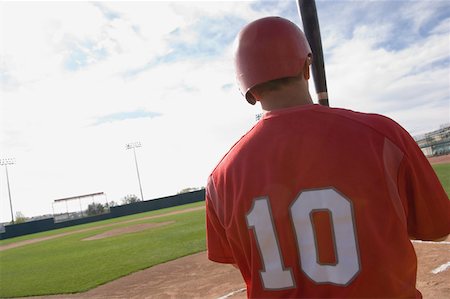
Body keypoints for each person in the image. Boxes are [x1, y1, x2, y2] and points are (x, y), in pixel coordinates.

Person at [205, 16, 450, 298]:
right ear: (307, 66)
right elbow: (436, 230)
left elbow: (241, 259)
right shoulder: (382, 135)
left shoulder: (220, 178)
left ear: (247, 88)